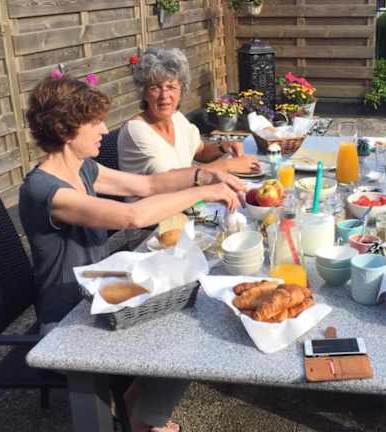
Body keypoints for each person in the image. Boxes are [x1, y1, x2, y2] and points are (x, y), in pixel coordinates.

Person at [20, 76, 245, 432]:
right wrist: (205, 193)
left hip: (103, 292)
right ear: (65, 130)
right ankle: (143, 421)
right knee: (187, 336)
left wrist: (204, 176)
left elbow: (148, 185)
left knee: (194, 307)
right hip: (68, 317)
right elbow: (132, 215)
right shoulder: (45, 191)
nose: (104, 129)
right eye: (95, 122)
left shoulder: (83, 168)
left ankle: (134, 409)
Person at [119, 48, 260, 176]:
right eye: (155, 88)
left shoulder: (177, 119)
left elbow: (201, 151)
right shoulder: (136, 130)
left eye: (171, 87)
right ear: (144, 93)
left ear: (181, 90)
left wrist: (223, 146)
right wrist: (227, 165)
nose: (164, 95)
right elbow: (169, 180)